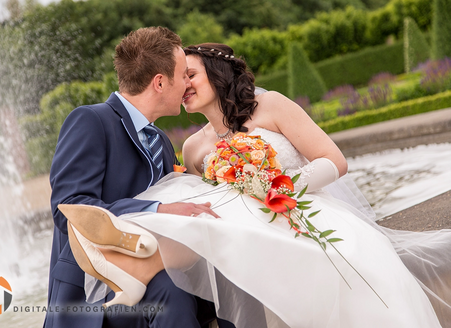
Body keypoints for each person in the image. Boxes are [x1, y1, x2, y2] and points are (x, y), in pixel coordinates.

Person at [61, 43, 451, 327]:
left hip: (296, 210)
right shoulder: (192, 146)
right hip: (249, 234)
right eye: (182, 78)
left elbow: (335, 161)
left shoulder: (273, 107)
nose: (186, 86)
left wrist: (275, 186)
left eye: (191, 75)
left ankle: (136, 266)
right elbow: (201, 206)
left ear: (216, 74)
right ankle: (134, 262)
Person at [45, 29, 234, 328]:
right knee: (174, 293)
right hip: (97, 285)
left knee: (227, 282)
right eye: (184, 74)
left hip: (157, 267)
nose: (188, 83)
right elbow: (67, 209)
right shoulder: (91, 120)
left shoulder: (160, 140)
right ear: (160, 82)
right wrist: (157, 209)